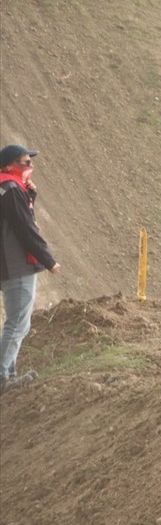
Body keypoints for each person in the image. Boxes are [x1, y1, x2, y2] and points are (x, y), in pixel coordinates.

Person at [0, 144, 60, 393]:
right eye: (25, 163)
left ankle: (8, 375)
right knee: (17, 322)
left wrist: (30, 197)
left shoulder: (8, 188)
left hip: (9, 263)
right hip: (17, 264)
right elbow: (26, 228)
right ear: (9, 166)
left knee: (18, 322)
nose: (30, 167)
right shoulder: (12, 189)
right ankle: (2, 375)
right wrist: (48, 260)